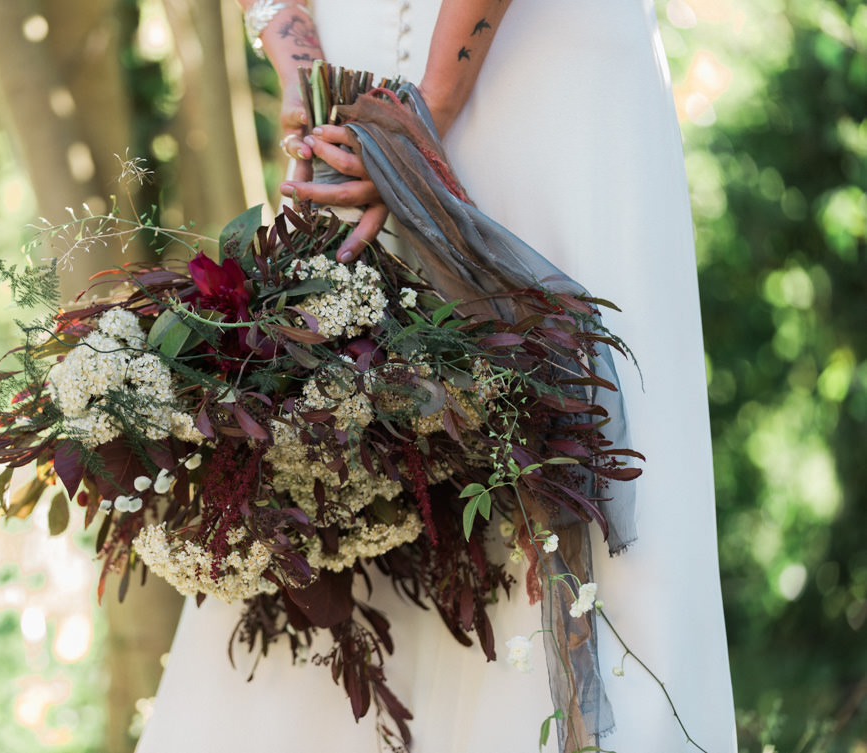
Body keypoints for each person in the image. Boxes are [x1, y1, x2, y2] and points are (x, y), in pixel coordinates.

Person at [135, 1, 737, 751]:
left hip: (532, 69)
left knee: (560, 422)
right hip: (362, 77)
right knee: (348, 424)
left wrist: (425, 117)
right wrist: (308, 73)